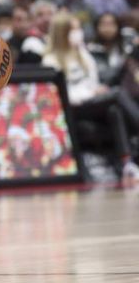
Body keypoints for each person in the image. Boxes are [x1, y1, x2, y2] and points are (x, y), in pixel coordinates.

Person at [42, 11, 139, 185]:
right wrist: (91, 93)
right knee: (117, 94)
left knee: (114, 109)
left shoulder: (82, 53)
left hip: (92, 103)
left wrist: (96, 90)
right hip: (73, 108)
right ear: (62, 33)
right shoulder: (51, 60)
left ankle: (126, 163)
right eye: (74, 30)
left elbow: (92, 81)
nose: (79, 33)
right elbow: (63, 96)